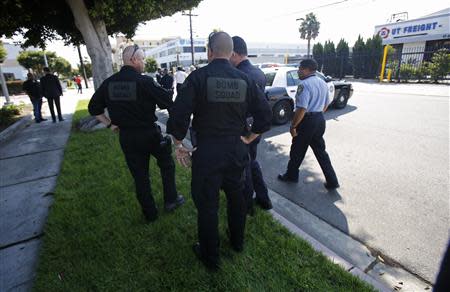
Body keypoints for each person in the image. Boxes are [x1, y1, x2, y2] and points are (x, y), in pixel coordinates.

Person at [167, 31, 272, 270]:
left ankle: (210, 256)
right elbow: (265, 116)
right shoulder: (244, 79)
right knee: (236, 199)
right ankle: (237, 242)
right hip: (236, 150)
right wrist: (250, 137)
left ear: (210, 51)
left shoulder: (198, 77)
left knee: (207, 205)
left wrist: (178, 144)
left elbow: (178, 115)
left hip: (208, 151)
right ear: (230, 51)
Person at [88, 44, 185, 222]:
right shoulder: (144, 81)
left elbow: (93, 108)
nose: (143, 63)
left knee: (140, 176)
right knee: (167, 164)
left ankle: (150, 214)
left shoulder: (109, 83)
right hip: (149, 133)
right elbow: (167, 102)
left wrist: (110, 125)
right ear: (133, 60)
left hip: (126, 136)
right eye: (141, 59)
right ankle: (171, 200)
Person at [278, 59, 339, 189]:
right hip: (319, 120)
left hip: (306, 122)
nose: (298, 71)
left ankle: (291, 176)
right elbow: (326, 103)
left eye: (300, 69)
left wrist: (293, 126)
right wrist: (317, 114)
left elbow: (301, 109)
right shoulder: (322, 83)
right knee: (321, 152)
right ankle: (332, 180)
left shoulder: (304, 84)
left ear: (307, 69)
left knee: (297, 151)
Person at [230, 36, 272, 214]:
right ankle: (264, 199)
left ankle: (247, 207)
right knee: (252, 162)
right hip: (255, 128)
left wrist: (248, 136)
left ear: (234, 54)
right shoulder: (259, 72)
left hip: (244, 130)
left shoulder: (240, 75)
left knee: (244, 169)